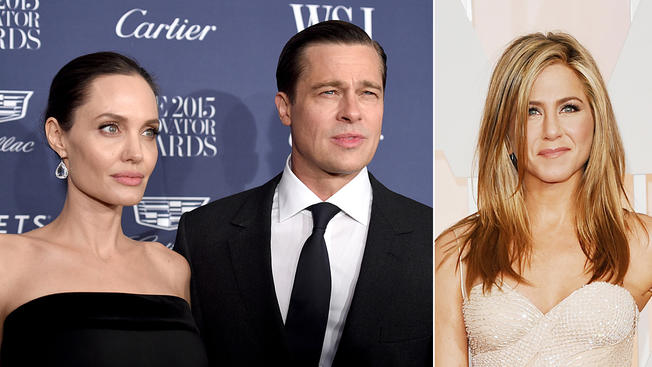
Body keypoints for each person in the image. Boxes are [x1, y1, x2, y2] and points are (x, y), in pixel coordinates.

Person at [174, 20, 432, 367]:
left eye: (368, 93)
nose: (352, 112)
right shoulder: (204, 235)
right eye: (329, 91)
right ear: (285, 107)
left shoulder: (432, 239)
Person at [435, 32, 652, 366]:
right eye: (530, 112)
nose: (552, 129)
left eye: (569, 108)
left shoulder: (641, 241)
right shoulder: (456, 252)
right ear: (504, 132)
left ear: (596, 120)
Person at [0, 52, 208, 366]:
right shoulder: (8, 263)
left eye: (148, 132)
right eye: (110, 128)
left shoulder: (171, 268)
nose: (136, 153)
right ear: (58, 136)